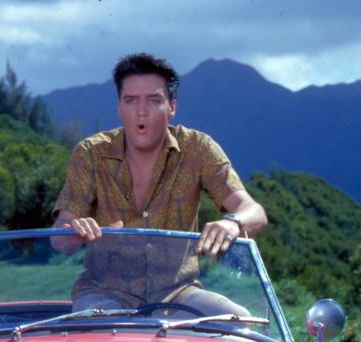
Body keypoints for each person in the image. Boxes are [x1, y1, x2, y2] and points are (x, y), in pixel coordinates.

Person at [50, 52, 268, 316]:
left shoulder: (199, 149)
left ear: (172, 107)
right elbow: (58, 238)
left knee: (241, 322)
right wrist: (75, 231)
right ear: (119, 107)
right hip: (103, 293)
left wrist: (232, 222)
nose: (141, 111)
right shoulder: (90, 153)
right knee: (112, 332)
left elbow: (255, 212)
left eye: (154, 100)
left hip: (179, 294)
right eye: (131, 100)